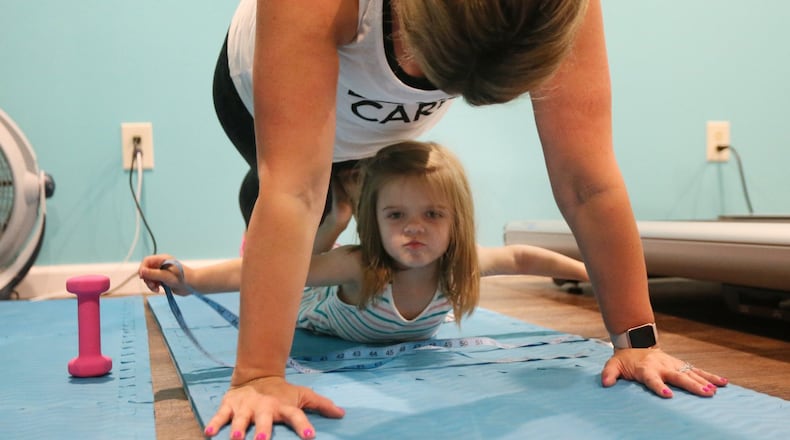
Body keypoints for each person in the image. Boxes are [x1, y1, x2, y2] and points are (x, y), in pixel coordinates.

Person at [207, 0, 728, 438]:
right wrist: (257, 376)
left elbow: (587, 184)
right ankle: (292, 192)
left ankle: (340, 189)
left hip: (385, 125)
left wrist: (637, 342)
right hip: (251, 96)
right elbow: (293, 190)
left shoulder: (561, 9)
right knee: (312, 200)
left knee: (352, 192)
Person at [140, 141, 590, 344]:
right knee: (301, 262)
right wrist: (188, 277)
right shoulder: (360, 265)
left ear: (457, 221)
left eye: (432, 215)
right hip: (307, 298)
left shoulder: (459, 265)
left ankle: (338, 209)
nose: (415, 229)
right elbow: (262, 273)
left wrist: (593, 277)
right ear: (377, 222)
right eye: (397, 216)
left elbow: (521, 256)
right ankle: (336, 214)